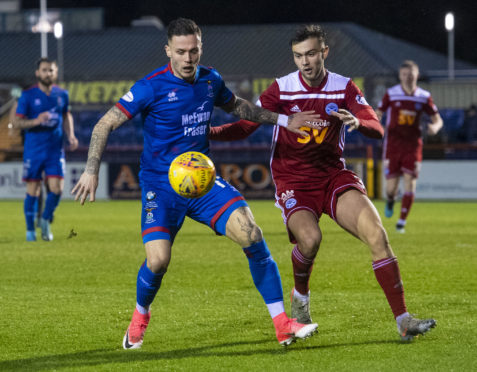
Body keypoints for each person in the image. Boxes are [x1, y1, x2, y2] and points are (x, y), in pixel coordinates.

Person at [71, 18, 322, 348]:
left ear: (200, 48)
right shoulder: (150, 86)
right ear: (168, 51)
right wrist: (91, 169)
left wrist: (285, 120)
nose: (189, 59)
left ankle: (282, 324)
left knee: (252, 235)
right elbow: (104, 125)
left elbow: (240, 108)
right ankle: (140, 314)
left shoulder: (210, 79)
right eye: (181, 52)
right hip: (161, 188)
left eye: (194, 51)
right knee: (158, 260)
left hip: (203, 183)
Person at [209, 25, 436, 341]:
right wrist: (208, 134)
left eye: (311, 54)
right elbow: (246, 125)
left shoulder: (343, 87)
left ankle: (403, 319)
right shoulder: (282, 89)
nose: (305, 61)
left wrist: (359, 122)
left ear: (324, 52)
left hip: (333, 177)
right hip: (294, 181)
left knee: (377, 234)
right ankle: (300, 297)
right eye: (299, 55)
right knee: (310, 239)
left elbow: (376, 125)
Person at [13, 58, 78, 241]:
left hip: (55, 150)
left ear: (55, 72)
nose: (47, 73)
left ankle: (45, 219)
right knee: (32, 189)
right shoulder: (27, 95)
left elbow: (66, 115)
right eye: (44, 70)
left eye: (51, 70)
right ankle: (30, 231)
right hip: (34, 150)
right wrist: (35, 121)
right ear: (37, 73)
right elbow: (17, 122)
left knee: (57, 189)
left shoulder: (61, 94)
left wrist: (71, 135)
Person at [376, 60, 443, 233]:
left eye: (411, 74)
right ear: (400, 75)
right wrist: (378, 126)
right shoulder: (391, 94)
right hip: (393, 146)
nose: (408, 77)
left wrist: (434, 128)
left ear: (417, 75)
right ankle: (391, 201)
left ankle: (401, 223)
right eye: (405, 74)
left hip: (413, 146)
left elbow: (437, 119)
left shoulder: (423, 96)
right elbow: (378, 113)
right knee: (390, 190)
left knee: (410, 183)